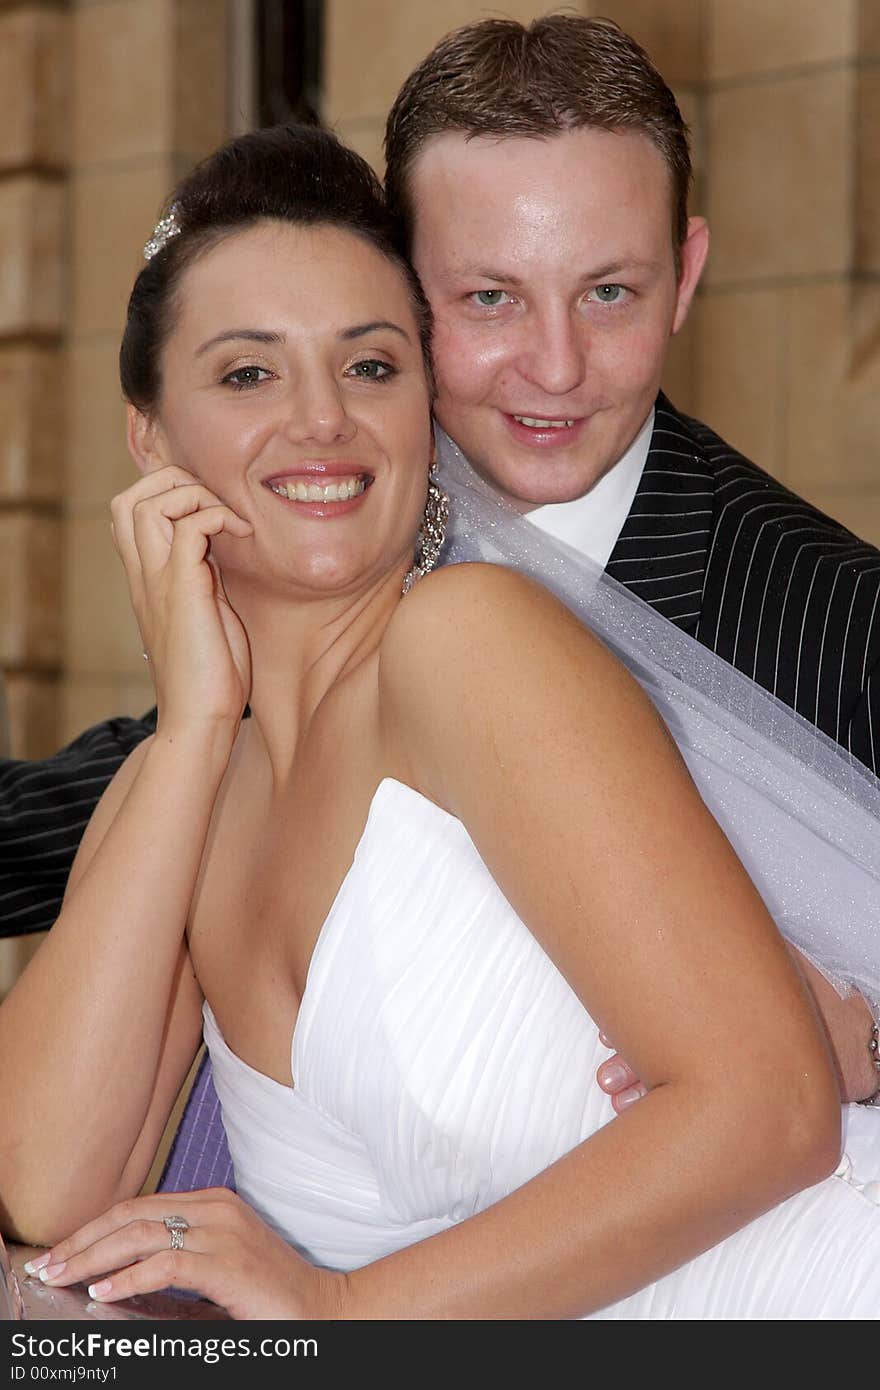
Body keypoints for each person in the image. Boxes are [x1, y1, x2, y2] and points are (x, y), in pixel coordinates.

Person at [1, 122, 879, 1321]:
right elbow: (51, 1188)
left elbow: (770, 1112)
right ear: (148, 433)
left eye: (370, 366)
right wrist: (200, 722)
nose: (322, 420)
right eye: (249, 372)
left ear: (422, 406)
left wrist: (345, 1315)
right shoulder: (178, 787)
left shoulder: (469, 641)